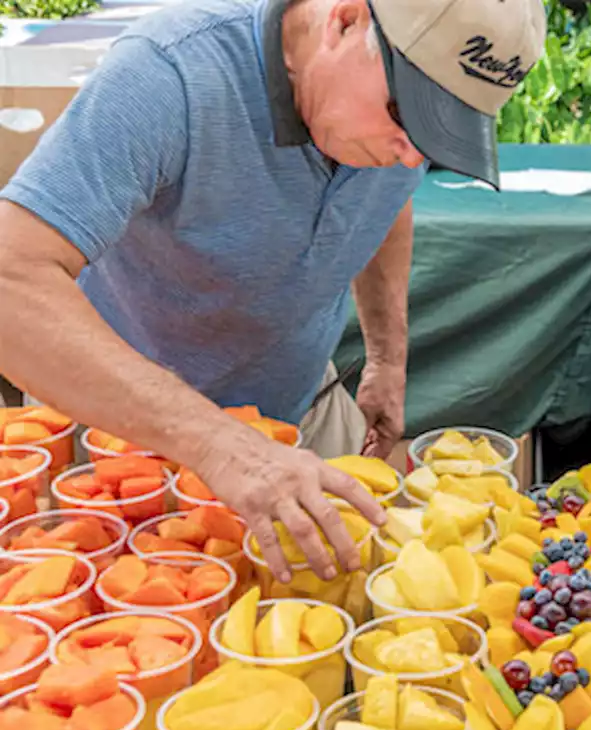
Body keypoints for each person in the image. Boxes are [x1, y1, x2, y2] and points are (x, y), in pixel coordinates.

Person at [0, 0, 546, 581]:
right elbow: (12, 281)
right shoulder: (172, 71)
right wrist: (223, 447)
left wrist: (387, 359)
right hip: (125, 449)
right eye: (406, 113)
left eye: (443, 139)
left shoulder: (381, 121)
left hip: (299, 415)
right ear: (344, 20)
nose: (412, 154)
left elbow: (385, 204)